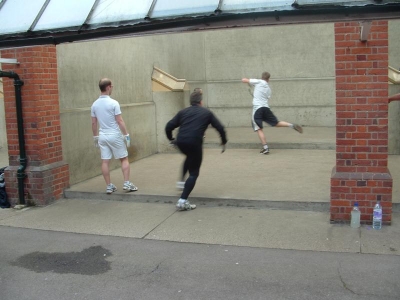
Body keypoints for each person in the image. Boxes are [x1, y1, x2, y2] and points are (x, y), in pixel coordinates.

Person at [165, 90, 227, 211]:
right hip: (194, 143)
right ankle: (183, 200)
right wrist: (223, 141)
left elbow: (168, 126)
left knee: (189, 157)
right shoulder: (207, 113)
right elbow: (220, 127)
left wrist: (171, 139)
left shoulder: (183, 112)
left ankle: (181, 183)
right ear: (201, 102)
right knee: (194, 172)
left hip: (181, 142)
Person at [91, 78, 138, 194]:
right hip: (114, 135)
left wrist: (95, 137)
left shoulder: (94, 105)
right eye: (111, 86)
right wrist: (126, 134)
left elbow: (93, 123)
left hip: (102, 136)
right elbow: (120, 121)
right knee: (124, 159)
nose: (112, 88)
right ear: (107, 87)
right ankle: (127, 183)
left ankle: (109, 186)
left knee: (105, 161)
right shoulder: (114, 103)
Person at [242, 72, 303, 154]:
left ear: (262, 77)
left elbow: (244, 80)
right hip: (266, 108)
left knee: (258, 129)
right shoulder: (268, 89)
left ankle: (266, 148)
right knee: (276, 123)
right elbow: (265, 96)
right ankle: (291, 125)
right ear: (268, 79)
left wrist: (248, 81)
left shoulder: (258, 81)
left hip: (257, 110)